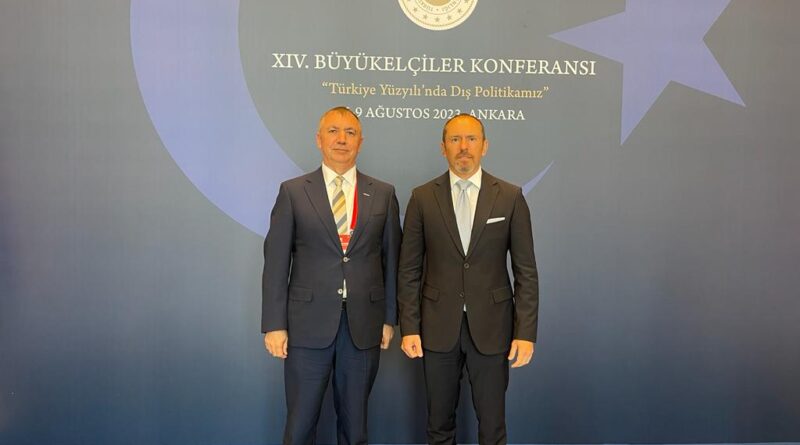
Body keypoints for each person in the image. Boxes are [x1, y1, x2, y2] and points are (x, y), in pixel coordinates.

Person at [262, 106, 401, 445]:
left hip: (362, 327)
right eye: (333, 131)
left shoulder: (383, 193)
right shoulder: (294, 191)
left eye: (350, 132)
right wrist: (274, 324)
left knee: (355, 430)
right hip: (306, 327)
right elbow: (276, 261)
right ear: (319, 139)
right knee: (299, 427)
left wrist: (389, 318)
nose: (342, 139)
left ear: (360, 141)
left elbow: (392, 260)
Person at [397, 114, 539, 445]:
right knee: (438, 426)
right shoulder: (422, 197)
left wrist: (525, 332)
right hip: (436, 328)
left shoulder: (510, 196)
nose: (464, 147)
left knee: (492, 427)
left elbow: (526, 272)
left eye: (471, 139)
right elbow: (408, 270)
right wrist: (410, 327)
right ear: (443, 147)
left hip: (493, 328)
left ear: (484, 146)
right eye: (455, 139)